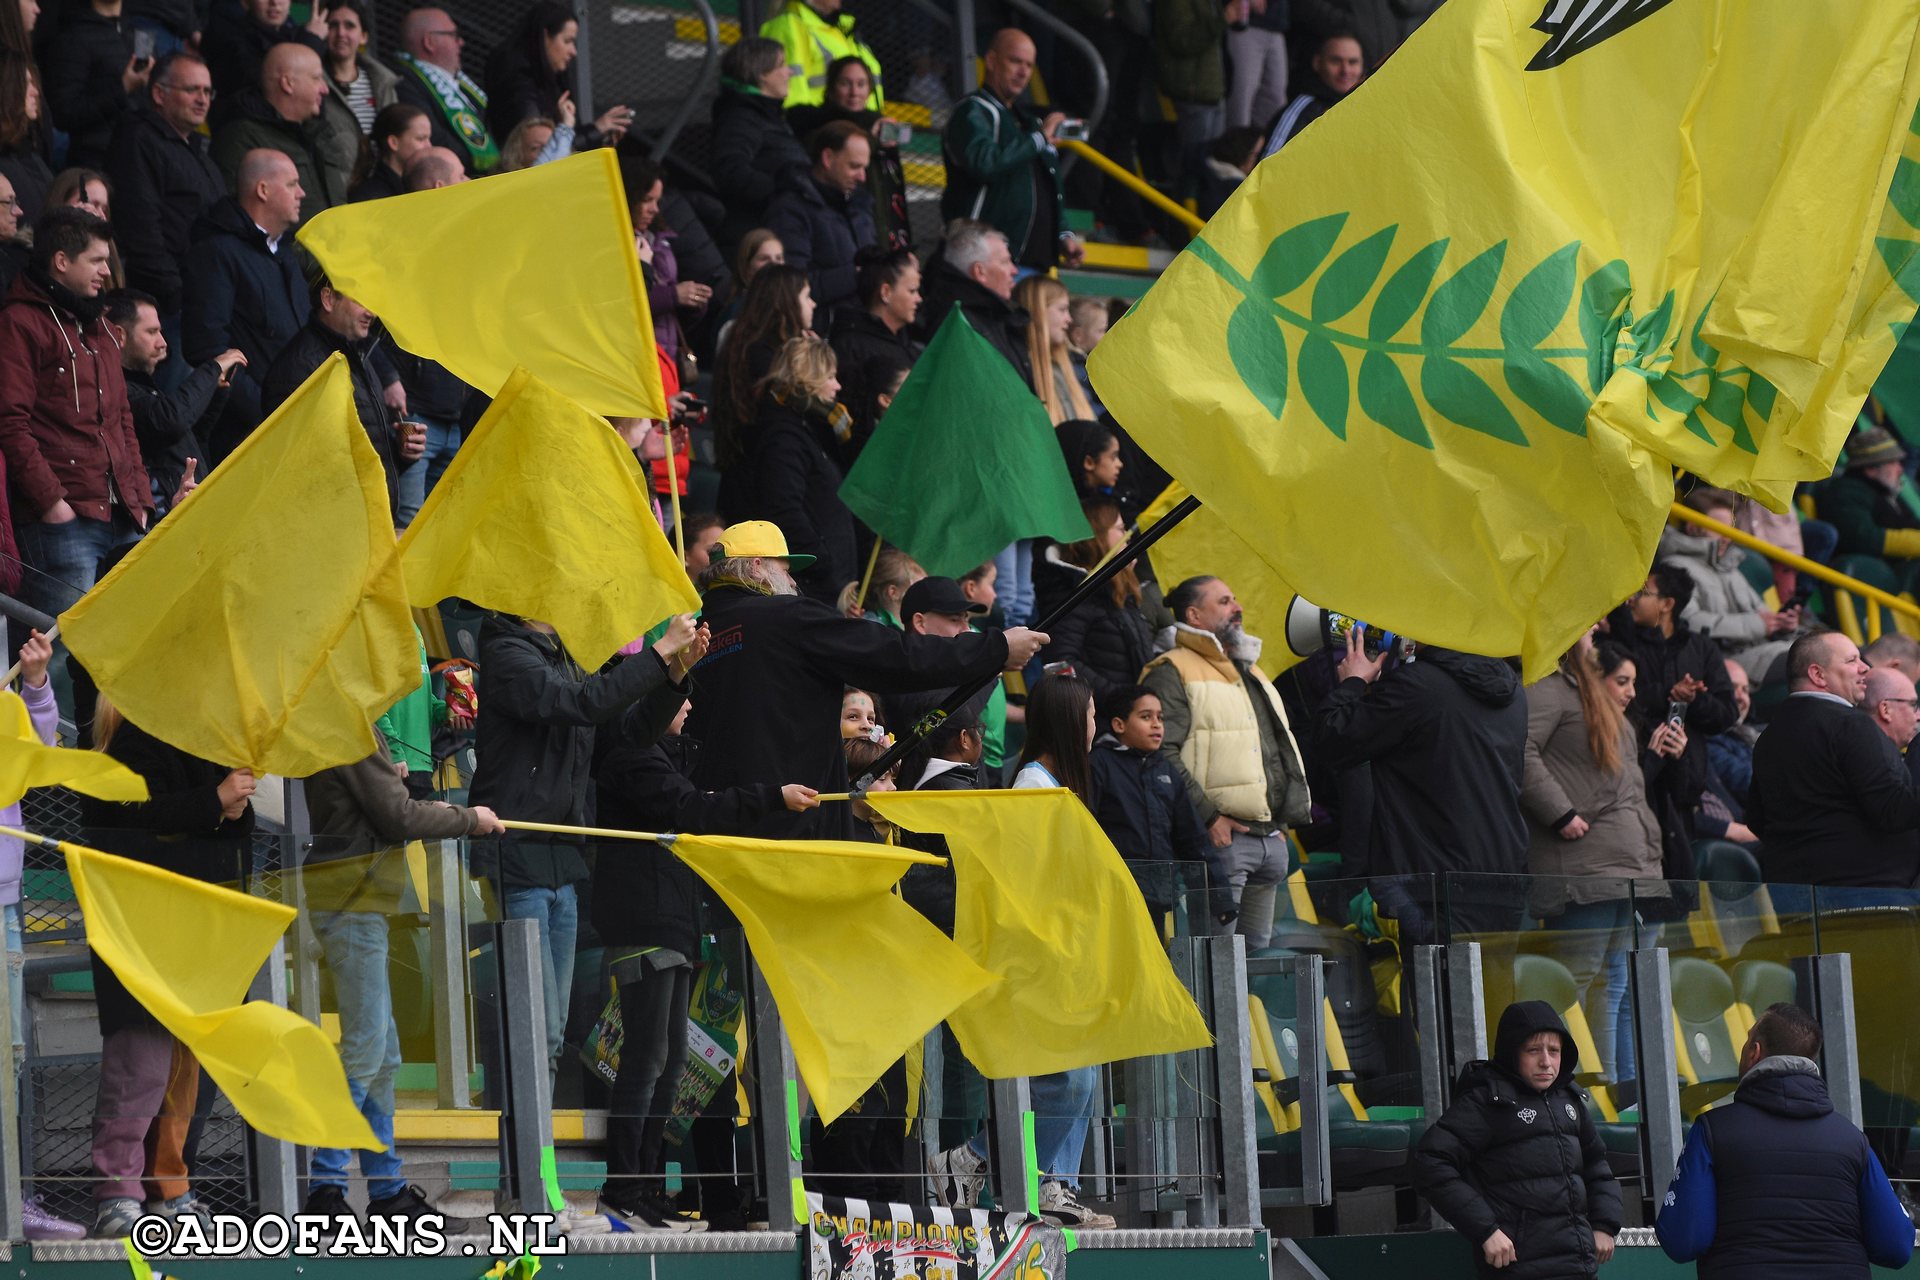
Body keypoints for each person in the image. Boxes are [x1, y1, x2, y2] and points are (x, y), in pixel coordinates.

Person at [591, 694, 816, 1230]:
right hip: (642, 921)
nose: (691, 704)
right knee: (646, 1059)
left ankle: (643, 1185)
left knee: (668, 1065)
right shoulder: (632, 755)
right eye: (677, 695)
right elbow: (693, 808)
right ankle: (621, 1185)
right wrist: (771, 798)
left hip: (674, 922)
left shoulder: (668, 757)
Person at [684, 520, 1047, 839]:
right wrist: (995, 648)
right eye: (786, 567)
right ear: (759, 567)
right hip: (795, 827)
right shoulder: (785, 617)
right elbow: (892, 656)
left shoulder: (695, 634)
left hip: (714, 823)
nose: (793, 580)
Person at [468, 611, 702, 1082]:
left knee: (551, 1035)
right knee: (535, 1030)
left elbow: (627, 735)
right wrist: (657, 653)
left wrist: (674, 675)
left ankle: (538, 1152)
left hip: (563, 861)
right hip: (516, 854)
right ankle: (525, 1149)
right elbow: (579, 704)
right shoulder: (507, 653)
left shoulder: (569, 660)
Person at [928, 675, 1116, 1231]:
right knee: (1068, 1076)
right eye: (1089, 715)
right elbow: (1029, 882)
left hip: (1066, 951)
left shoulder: (1057, 785)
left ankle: (1043, 1179)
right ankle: (988, 1162)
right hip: (1041, 955)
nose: (1094, 725)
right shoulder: (1032, 787)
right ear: (1065, 721)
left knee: (1079, 1071)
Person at [299, 724, 498, 1230]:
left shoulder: (344, 725)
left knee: (382, 1052)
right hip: (352, 901)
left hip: (355, 899)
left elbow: (374, 805)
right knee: (368, 1047)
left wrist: (391, 779)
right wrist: (469, 818)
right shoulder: (351, 727)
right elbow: (397, 816)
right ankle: (325, 1186)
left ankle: (385, 1192)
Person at [83, 695, 254, 1238]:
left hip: (190, 926)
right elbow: (130, 819)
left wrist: (231, 811)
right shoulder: (135, 739)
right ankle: (118, 1193)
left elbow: (221, 835)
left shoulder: (198, 743)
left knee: (183, 1070)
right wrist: (215, 802)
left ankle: (169, 1187)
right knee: (142, 1065)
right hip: (141, 924)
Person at [1657, 1001, 1914, 1277]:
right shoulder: (1853, 1141)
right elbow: (1896, 1246)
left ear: (1754, 1052)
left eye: (1747, 1041)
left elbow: (1683, 1239)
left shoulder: (1712, 1131)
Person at [1312, 624, 1528, 936]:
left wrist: (1354, 683)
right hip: (1502, 875)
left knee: (1434, 982)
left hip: (1430, 882)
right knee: (1490, 982)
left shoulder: (1419, 687)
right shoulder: (1512, 692)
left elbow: (1333, 739)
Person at [1520, 635, 1665, 1082]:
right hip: (1586, 866)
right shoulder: (1548, 689)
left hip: (1625, 863)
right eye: (1586, 628)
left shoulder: (1583, 692)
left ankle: (1613, 1089)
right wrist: (1559, 811)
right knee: (1576, 982)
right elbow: (1518, 750)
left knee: (1616, 982)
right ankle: (1572, 1088)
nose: (1597, 634)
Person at [1142, 576, 1312, 946]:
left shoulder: (1249, 669)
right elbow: (1161, 752)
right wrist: (1210, 818)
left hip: (1269, 837)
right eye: (1223, 601)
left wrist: (1280, 823)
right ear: (1194, 615)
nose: (1237, 607)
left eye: (1234, 599)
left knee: (1252, 961)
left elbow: (1273, 750)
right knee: (1213, 962)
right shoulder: (1170, 670)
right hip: (1221, 844)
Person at [0, 208, 152, 615]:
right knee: (58, 659)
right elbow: (10, 424)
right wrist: (53, 503)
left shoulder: (100, 326)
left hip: (123, 517)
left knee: (126, 648)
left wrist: (139, 502)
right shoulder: (19, 323)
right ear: (62, 261)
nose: (107, 270)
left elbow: (123, 422)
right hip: (63, 522)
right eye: (97, 260)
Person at [1413, 1001, 1623, 1280]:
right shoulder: (1487, 1102)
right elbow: (1429, 1161)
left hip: (1578, 1267)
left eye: (1554, 1051)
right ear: (1512, 1053)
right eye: (1533, 1050)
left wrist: (1605, 1224)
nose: (1546, 1061)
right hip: (1517, 1268)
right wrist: (1485, 1230)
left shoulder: (1569, 1101)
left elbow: (1597, 1166)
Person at [0, 631, 85, 1241]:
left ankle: (14, 1201)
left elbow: (42, 759)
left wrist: (33, 685)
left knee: (12, 1055)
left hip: (5, 899)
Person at [1747, 630, 1920, 888]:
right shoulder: (1850, 725)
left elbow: (1756, 819)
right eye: (1852, 661)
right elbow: (1893, 811)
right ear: (1818, 675)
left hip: (1795, 898)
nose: (1864, 668)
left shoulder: (1768, 737)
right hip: (1870, 900)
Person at [180, 148, 308, 464]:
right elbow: (207, 348)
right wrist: (267, 411)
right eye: (292, 184)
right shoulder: (216, 253)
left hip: (297, 428)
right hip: (246, 436)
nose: (302, 193)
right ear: (262, 190)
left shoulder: (286, 256)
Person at [260, 267, 415, 522]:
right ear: (328, 299)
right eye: (359, 300)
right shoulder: (301, 368)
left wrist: (400, 451)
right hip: (332, 528)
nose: (371, 312)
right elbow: (300, 467)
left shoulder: (355, 355)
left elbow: (361, 445)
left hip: (361, 523)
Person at [1606, 561, 1739, 851]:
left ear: (1667, 604)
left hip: (1685, 786)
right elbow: (1613, 698)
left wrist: (1695, 699)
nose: (1631, 598)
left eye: (1642, 592)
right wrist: (1669, 692)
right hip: (1637, 775)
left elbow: (1727, 714)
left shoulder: (1702, 648)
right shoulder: (1619, 642)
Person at [105, 49, 223, 354]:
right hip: (170, 309)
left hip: (201, 300)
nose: (203, 99)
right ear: (159, 93)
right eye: (192, 89)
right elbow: (141, 226)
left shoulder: (196, 149)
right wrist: (177, 295)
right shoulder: (138, 140)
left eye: (208, 91)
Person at [723, 333, 855, 602]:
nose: (837, 386)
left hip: (823, 585)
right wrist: (822, 562)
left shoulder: (807, 429)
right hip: (813, 588)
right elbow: (783, 508)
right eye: (830, 376)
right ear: (809, 378)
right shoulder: (783, 436)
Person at [941, 29, 1084, 272]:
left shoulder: (1028, 123)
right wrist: (1039, 138)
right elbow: (984, 163)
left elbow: (1048, 187)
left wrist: (1063, 235)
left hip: (1036, 266)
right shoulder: (973, 111)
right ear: (991, 61)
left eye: (1029, 65)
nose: (1023, 72)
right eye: (1015, 61)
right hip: (986, 266)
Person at [1090, 683, 1222, 924]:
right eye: (1145, 716)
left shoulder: (1166, 769)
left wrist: (1219, 895)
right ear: (1119, 724)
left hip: (1159, 896)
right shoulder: (1099, 763)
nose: (1156, 724)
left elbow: (1192, 837)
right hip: (1114, 895)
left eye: (1160, 717)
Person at [103, 288, 240, 515]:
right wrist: (212, 369)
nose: (163, 342)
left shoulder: (143, 388)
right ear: (119, 335)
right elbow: (169, 420)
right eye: (152, 332)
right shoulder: (116, 390)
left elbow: (190, 436)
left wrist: (215, 393)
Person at [1657, 488, 1800, 684]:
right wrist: (1757, 625)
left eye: (1730, 529)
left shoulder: (1732, 569)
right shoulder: (1675, 566)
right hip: (1720, 663)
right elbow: (1688, 622)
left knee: (1834, 653)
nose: (1727, 536)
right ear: (1692, 528)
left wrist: (1782, 625)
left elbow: (1762, 615)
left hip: (1758, 651)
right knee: (1810, 659)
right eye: (1719, 528)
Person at [211, 41, 355, 220]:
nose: (325, 89)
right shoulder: (241, 139)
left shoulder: (318, 134)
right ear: (288, 83)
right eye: (317, 78)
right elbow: (234, 214)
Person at [785, 55, 909, 252]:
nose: (854, 92)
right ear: (832, 88)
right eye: (845, 83)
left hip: (879, 224)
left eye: (861, 84)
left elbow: (892, 187)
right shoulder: (814, 123)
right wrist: (871, 140)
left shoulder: (879, 124)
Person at [1035, 495, 1154, 696]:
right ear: (1096, 536)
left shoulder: (1115, 591)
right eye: (1120, 529)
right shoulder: (1072, 593)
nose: (1128, 537)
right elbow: (1061, 662)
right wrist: (1120, 698)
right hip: (1098, 723)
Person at [765, 119, 875, 328]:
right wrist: (859, 275)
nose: (862, 176)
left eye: (865, 168)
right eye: (854, 166)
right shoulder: (790, 209)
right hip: (825, 329)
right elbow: (793, 284)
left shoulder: (860, 205)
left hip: (860, 325)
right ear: (827, 158)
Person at [708, 36, 810, 254]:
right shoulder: (741, 118)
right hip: (757, 238)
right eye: (781, 65)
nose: (789, 72)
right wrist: (782, 192)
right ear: (761, 74)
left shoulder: (767, 116)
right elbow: (730, 170)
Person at [483, 0, 629, 151]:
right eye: (567, 41)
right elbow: (540, 150)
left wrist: (599, 139)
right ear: (545, 36)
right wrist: (596, 129)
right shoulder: (519, 85)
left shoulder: (549, 80)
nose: (574, 51)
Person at [713, 263, 813, 479]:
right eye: (807, 297)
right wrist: (809, 363)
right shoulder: (765, 355)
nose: (813, 304)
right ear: (787, 300)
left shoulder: (748, 344)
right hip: (762, 472)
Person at [917, 218, 1031, 382]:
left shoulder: (992, 314)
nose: (1014, 270)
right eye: (1005, 262)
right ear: (980, 272)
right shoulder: (960, 323)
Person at [624, 154, 708, 373]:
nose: (655, 209)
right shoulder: (614, 242)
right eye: (647, 200)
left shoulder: (658, 238)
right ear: (628, 198)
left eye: (657, 201)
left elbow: (670, 311)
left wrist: (692, 302)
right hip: (636, 362)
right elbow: (623, 309)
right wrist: (673, 296)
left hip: (666, 360)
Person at [39, 0, 143, 170]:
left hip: (136, 156)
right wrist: (122, 88)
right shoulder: (72, 36)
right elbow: (64, 112)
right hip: (96, 163)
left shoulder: (135, 33)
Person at [829, 246, 918, 444]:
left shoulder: (906, 343)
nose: (918, 299)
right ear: (885, 292)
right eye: (912, 291)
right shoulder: (850, 347)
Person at [392, 8, 497, 175]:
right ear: (429, 42)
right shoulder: (405, 82)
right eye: (453, 35)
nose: (460, 42)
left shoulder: (463, 83)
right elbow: (435, 137)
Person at [1153, 0, 1236, 197]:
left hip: (1213, 92)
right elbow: (1182, 40)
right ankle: (1184, 223)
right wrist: (1222, 20)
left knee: (1211, 171)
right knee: (1192, 169)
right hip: (1193, 92)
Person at [1823, 426, 1920, 572]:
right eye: (1893, 462)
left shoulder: (1885, 493)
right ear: (1871, 469)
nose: (1900, 470)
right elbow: (1863, 539)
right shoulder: (1846, 492)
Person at [757, 0, 881, 110]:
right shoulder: (789, 26)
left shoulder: (843, 29)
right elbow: (792, 95)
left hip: (856, 125)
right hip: (820, 128)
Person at [200, 0, 321, 107]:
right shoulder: (230, 38)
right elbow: (270, 90)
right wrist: (310, 45)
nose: (274, 2)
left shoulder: (292, 33)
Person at [1262, 30, 1362, 157]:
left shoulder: (1367, 109)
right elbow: (1268, 165)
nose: (1345, 70)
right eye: (1336, 61)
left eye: (1353, 62)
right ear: (1317, 63)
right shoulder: (1303, 109)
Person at [1015, 275, 1093, 424]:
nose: (1069, 319)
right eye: (1062, 310)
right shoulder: (1019, 368)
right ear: (1038, 311)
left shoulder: (1069, 363)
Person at [320, 0, 396, 136]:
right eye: (333, 25)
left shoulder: (383, 82)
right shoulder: (316, 82)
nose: (341, 33)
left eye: (349, 26)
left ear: (364, 37)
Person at [0, 51, 49, 223]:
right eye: (28, 83)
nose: (35, 92)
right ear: (10, 89)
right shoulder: (7, 161)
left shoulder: (28, 151)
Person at [1227, 0, 1290, 130]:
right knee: (1242, 97)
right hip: (1246, 22)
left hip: (1276, 24)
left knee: (1276, 99)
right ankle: (1236, 147)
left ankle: (1265, 147)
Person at [350, 100, 429, 201]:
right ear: (394, 143)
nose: (429, 146)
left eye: (429, 138)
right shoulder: (370, 196)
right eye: (421, 138)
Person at [1066, 295, 1107, 415]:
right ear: (1078, 335)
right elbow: (1089, 406)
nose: (1105, 336)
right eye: (1100, 331)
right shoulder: (1076, 367)